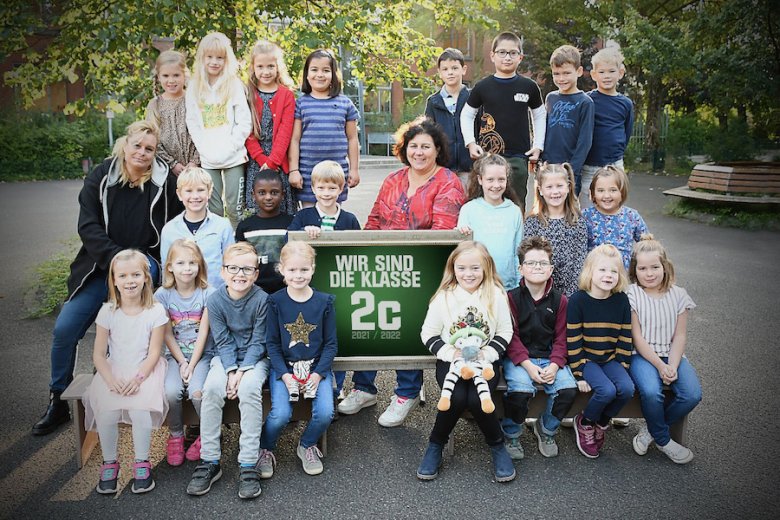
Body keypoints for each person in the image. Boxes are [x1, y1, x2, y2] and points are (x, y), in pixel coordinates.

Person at [32, 120, 180, 437]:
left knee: (131, 324)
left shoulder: (164, 181)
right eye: (137, 145)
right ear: (124, 144)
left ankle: (136, 388)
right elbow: (87, 226)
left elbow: (175, 224)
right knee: (65, 328)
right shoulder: (101, 177)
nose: (142, 152)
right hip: (99, 267)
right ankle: (58, 400)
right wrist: (115, 260)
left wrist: (146, 264)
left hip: (145, 265)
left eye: (149, 149)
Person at [337, 116, 465, 427]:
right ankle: (364, 388)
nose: (418, 152)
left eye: (425, 146)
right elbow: (375, 218)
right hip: (383, 266)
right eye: (413, 146)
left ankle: (406, 392)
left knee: (407, 327)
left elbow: (442, 233)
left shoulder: (448, 181)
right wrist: (366, 253)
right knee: (368, 318)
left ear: (437, 150)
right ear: (404, 149)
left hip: (423, 270)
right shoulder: (394, 179)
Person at [417, 241, 515, 482]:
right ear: (453, 268)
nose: (468, 274)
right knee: (456, 397)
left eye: (475, 268)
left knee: (477, 399)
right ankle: (435, 446)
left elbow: (505, 332)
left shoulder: (496, 295)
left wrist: (488, 354)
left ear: (486, 269)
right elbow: (427, 334)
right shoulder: (444, 297)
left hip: (485, 362)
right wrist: (452, 354)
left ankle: (497, 446)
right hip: (451, 361)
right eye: (461, 268)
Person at [186, 243, 269, 499]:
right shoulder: (215, 300)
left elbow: (258, 341)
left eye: (247, 269)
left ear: (255, 273)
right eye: (233, 268)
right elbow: (222, 340)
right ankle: (210, 460)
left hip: (255, 359)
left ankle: (247, 462)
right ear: (222, 271)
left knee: (249, 388)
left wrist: (242, 372)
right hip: (224, 358)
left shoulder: (261, 299)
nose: (240, 274)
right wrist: (231, 369)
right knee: (211, 388)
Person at [83, 249, 168, 495]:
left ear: (146, 278)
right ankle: (110, 462)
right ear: (114, 280)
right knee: (107, 412)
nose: (130, 281)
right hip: (114, 370)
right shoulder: (107, 312)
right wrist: (109, 380)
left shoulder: (155, 312)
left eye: (135, 275)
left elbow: (154, 352)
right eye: (123, 276)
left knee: (139, 411)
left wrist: (139, 378)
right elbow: (99, 354)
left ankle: (142, 462)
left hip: (145, 370)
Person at [258, 241, 337, 478]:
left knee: (325, 412)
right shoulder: (275, 302)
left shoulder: (324, 302)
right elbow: (271, 343)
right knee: (281, 413)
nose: (298, 275)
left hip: (315, 367)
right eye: (292, 270)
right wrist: (284, 374)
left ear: (313, 268)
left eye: (304, 269)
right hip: (284, 368)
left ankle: (306, 444)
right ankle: (265, 447)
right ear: (281, 269)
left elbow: (331, 343)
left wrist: (317, 373)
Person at [501, 237, 577, 460]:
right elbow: (510, 337)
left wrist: (554, 365)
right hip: (519, 360)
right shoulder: (510, 298)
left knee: (567, 390)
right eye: (531, 263)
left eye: (542, 263)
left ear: (551, 268)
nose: (537, 267)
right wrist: (527, 365)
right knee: (520, 391)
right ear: (520, 268)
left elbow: (562, 339)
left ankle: (546, 429)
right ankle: (512, 432)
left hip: (549, 357)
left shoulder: (561, 301)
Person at [627, 235, 701, 464]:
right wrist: (659, 365)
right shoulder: (632, 294)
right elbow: (637, 338)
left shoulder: (679, 295)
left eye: (655, 267)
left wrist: (673, 365)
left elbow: (679, 335)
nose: (649, 273)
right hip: (642, 356)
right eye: (643, 268)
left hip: (672, 354)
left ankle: (651, 430)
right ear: (634, 270)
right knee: (651, 391)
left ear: (665, 267)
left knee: (691, 394)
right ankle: (664, 440)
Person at [461, 31, 546, 212]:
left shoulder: (529, 86)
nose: (507, 57)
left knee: (517, 206)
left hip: (518, 157)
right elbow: (467, 114)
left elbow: (539, 115)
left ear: (520, 57)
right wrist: (470, 143)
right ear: (492, 55)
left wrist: (538, 145)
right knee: (485, 203)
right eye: (502, 52)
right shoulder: (483, 87)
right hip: (488, 156)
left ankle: (516, 240)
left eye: (512, 53)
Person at [567, 244, 634, 459]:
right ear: (590, 272)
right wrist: (579, 373)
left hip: (610, 359)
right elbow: (573, 339)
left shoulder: (621, 300)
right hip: (587, 361)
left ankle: (602, 422)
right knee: (607, 390)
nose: (608, 275)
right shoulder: (578, 300)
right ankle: (585, 422)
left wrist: (623, 366)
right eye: (602, 270)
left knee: (626, 388)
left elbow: (625, 337)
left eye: (614, 271)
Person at [155, 239, 216, 466]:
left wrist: (192, 364)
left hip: (203, 355)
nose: (187, 268)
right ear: (170, 266)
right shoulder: (162, 295)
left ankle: (208, 435)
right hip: (176, 356)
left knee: (197, 391)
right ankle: (176, 435)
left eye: (192, 262)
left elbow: (204, 334)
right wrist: (181, 362)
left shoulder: (208, 293)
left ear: (200, 265)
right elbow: (167, 334)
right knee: (171, 391)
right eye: (180, 263)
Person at [186, 32, 252, 229]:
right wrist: (204, 149)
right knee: (213, 208)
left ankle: (238, 248)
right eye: (210, 57)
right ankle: (217, 246)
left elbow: (244, 122)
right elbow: (193, 122)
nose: (214, 62)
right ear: (202, 58)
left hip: (233, 157)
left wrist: (230, 147)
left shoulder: (233, 85)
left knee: (234, 208)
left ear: (227, 59)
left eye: (220, 58)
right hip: (208, 158)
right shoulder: (194, 87)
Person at [288, 49, 360, 208]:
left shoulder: (345, 104)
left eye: (326, 70)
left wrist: (354, 169)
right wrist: (293, 170)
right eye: (314, 70)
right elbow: (294, 139)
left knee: (332, 216)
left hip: (336, 172)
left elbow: (352, 138)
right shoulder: (301, 103)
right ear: (307, 74)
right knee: (309, 217)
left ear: (334, 75)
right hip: (308, 173)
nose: (319, 74)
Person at [244, 40, 297, 216]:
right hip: (255, 162)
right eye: (260, 66)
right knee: (256, 211)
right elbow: (246, 131)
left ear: (278, 67)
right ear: (253, 67)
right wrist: (261, 160)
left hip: (278, 162)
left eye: (270, 66)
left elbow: (285, 132)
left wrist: (272, 163)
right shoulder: (247, 93)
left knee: (280, 211)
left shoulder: (286, 95)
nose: (265, 72)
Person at [457, 154, 523, 290]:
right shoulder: (469, 209)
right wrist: (460, 233)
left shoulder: (514, 211)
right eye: (490, 180)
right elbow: (461, 250)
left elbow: (518, 251)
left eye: (501, 179)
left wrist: (518, 285)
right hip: (476, 286)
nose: (496, 185)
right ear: (480, 180)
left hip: (507, 287)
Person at [161, 166, 234, 288]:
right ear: (179, 194)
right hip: (182, 297)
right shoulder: (169, 230)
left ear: (209, 192)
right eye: (188, 191)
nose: (195, 196)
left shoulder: (223, 226)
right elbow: (166, 269)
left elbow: (231, 263)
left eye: (200, 190)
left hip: (216, 295)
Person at [582, 47, 634, 210]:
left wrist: (617, 151)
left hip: (615, 163)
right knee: (588, 208)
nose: (607, 76)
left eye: (611, 71)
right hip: (589, 165)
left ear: (620, 72)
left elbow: (627, 131)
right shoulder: (587, 100)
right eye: (602, 72)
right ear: (594, 74)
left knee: (614, 206)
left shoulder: (625, 103)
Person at [524, 163, 587, 297]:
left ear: (569, 187)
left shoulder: (578, 221)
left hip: (570, 292)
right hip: (539, 292)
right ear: (540, 190)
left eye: (559, 186)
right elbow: (527, 258)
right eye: (549, 187)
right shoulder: (532, 222)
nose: (555, 192)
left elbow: (580, 260)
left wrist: (570, 295)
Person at [541, 45, 594, 196]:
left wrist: (571, 170)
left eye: (566, 73)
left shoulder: (585, 102)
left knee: (568, 214)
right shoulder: (551, 98)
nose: (561, 78)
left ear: (578, 71)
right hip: (548, 168)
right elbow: (545, 131)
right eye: (556, 74)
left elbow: (585, 141)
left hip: (570, 171)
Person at [235, 168, 295, 294]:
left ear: (283, 195)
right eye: (262, 193)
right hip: (254, 291)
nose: (268, 197)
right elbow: (240, 261)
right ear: (253, 195)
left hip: (287, 289)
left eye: (274, 192)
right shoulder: (245, 226)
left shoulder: (292, 223)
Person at [145, 49, 199, 176]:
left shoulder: (193, 101)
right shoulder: (155, 105)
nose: (171, 80)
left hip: (196, 168)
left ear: (184, 75)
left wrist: (195, 161)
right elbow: (152, 138)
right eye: (166, 76)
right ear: (158, 77)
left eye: (176, 75)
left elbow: (205, 132)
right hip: (166, 169)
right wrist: (172, 163)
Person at [582, 165, 648, 269]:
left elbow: (646, 245)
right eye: (600, 190)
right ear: (593, 193)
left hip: (622, 276)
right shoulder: (585, 216)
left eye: (613, 190)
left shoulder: (632, 216)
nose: (607, 195)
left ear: (622, 192)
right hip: (593, 276)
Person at [424, 47, 473, 178]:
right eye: (445, 69)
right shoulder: (433, 102)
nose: (450, 73)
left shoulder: (474, 98)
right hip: (442, 169)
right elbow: (428, 134)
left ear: (464, 69)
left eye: (454, 68)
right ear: (439, 72)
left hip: (470, 168)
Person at [288, 160, 361, 237]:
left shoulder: (350, 220)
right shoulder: (302, 216)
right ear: (313, 188)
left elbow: (360, 244)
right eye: (321, 188)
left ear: (341, 189)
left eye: (332, 188)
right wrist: (304, 231)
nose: (326, 194)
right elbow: (288, 239)